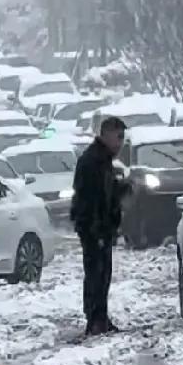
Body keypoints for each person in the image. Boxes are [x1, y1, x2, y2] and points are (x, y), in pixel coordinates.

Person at [70, 115, 127, 337]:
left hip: (101, 227)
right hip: (94, 228)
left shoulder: (103, 160)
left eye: (122, 138)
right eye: (118, 137)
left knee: (103, 274)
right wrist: (97, 229)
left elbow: (108, 193)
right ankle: (95, 319)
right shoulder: (92, 161)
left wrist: (121, 189)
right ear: (105, 135)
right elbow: (91, 198)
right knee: (96, 273)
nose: (120, 143)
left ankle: (100, 317)